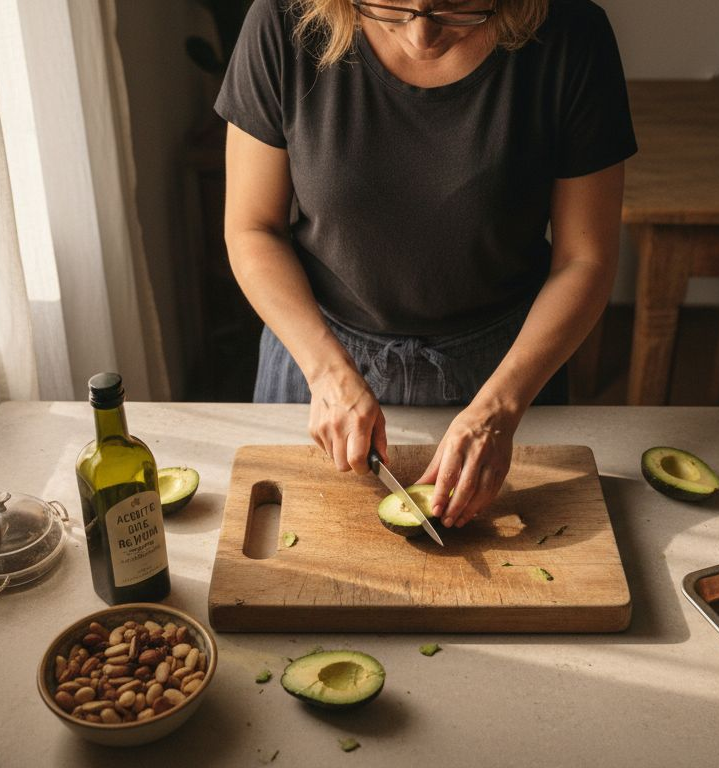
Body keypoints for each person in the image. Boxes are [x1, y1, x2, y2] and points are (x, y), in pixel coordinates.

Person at [217, 0, 635, 528]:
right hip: (314, 358)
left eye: (458, 8)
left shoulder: (573, 34)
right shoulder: (284, 20)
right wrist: (326, 372)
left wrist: (499, 411)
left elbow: (586, 259)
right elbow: (252, 229)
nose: (421, 34)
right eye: (390, 7)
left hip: (507, 370)